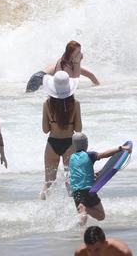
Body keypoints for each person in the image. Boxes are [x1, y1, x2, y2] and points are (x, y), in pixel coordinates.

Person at [69, 133, 132, 224]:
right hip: (88, 191)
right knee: (101, 216)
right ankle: (85, 209)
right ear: (86, 144)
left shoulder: (72, 158)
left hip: (76, 192)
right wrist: (121, 148)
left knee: (83, 216)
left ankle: (80, 234)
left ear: (73, 145)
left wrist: (93, 174)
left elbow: (77, 173)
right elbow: (104, 154)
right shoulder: (89, 155)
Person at [40, 71, 82, 199]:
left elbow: (45, 129)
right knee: (71, 183)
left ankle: (41, 210)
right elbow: (79, 129)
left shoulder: (47, 104)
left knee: (48, 183)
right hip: (69, 144)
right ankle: (73, 211)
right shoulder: (75, 104)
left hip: (52, 144)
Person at [26, 40, 100, 92]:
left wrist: (98, 87)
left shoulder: (71, 64)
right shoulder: (64, 63)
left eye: (80, 51)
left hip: (42, 79)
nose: (80, 54)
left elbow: (91, 75)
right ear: (70, 53)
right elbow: (73, 81)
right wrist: (78, 62)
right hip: (39, 79)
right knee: (29, 101)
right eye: (77, 52)